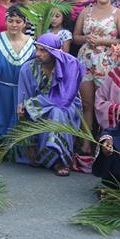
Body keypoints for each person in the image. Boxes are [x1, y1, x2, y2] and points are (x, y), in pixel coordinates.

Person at [15, 33, 84, 176]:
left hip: (67, 106)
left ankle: (59, 160)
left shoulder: (69, 66)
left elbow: (66, 98)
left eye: (43, 50)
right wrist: (30, 143)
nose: (38, 54)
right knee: (27, 108)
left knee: (57, 111)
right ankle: (44, 153)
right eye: (37, 49)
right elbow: (23, 103)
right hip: (38, 110)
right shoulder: (27, 69)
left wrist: (34, 105)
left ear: (54, 53)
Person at [74, 0, 120, 150]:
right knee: (87, 103)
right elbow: (75, 37)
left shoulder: (119, 14)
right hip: (85, 60)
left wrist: (103, 41)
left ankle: (104, 142)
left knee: (104, 104)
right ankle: (86, 143)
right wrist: (86, 38)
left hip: (107, 62)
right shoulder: (86, 12)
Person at [0, 6, 34, 137]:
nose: (14, 25)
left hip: (22, 93)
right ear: (5, 21)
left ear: (25, 23)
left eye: (18, 21)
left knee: (18, 130)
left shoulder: (33, 45)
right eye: (10, 20)